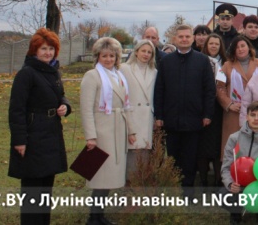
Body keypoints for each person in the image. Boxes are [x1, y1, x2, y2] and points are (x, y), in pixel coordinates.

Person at [8, 28, 71, 225]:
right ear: (34, 50)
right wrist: (20, 140)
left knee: (46, 189)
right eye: (43, 48)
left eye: (51, 49)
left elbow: (61, 95)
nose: (47, 53)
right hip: (33, 137)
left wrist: (65, 106)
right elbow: (16, 110)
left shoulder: (53, 71)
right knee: (33, 190)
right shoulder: (26, 74)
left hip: (51, 134)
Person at [81, 37, 136, 225]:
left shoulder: (119, 76)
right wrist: (91, 136)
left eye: (112, 56)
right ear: (97, 57)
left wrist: (131, 131)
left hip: (118, 129)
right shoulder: (92, 76)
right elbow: (86, 109)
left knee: (110, 177)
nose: (108, 59)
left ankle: (100, 215)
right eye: (104, 56)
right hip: (102, 132)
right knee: (100, 177)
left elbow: (126, 105)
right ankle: (93, 217)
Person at [153, 24, 215, 190]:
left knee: (190, 158)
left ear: (192, 38)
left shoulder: (202, 60)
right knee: (173, 157)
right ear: (175, 39)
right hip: (171, 119)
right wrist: (159, 115)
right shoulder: (166, 61)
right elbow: (159, 90)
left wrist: (207, 114)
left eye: (187, 36)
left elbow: (209, 90)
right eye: (181, 37)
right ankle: (174, 189)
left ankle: (188, 190)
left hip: (194, 120)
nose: (184, 39)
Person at [220, 101, 258, 225]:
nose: (256, 119)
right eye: (253, 115)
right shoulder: (234, 138)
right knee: (222, 195)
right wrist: (230, 183)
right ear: (247, 117)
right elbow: (226, 167)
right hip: (239, 184)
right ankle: (236, 214)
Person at [216, 35, 258, 159]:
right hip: (234, 112)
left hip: (255, 111)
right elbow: (219, 87)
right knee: (233, 147)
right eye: (237, 47)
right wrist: (229, 104)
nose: (240, 49)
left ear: (249, 47)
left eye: (243, 46)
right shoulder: (226, 65)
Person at [120, 39, 157, 180]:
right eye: (143, 51)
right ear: (136, 52)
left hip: (147, 118)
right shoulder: (124, 69)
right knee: (132, 153)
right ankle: (129, 183)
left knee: (143, 153)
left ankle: (140, 184)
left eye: (149, 52)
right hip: (132, 116)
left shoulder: (154, 71)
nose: (146, 54)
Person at [196, 33, 227, 187]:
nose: (214, 46)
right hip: (202, 107)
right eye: (211, 43)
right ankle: (203, 179)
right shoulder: (199, 61)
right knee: (203, 144)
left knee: (217, 144)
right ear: (206, 46)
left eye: (217, 44)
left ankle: (218, 179)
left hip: (220, 108)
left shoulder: (225, 63)